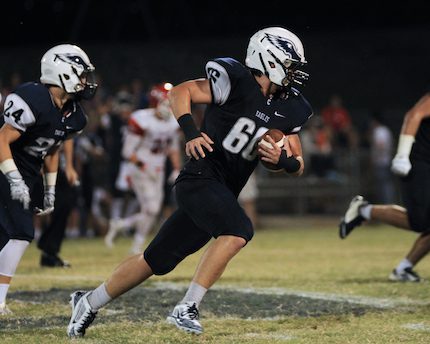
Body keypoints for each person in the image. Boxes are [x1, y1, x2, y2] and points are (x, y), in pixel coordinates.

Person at [67, 26, 313, 337]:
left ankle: (88, 301)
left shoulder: (293, 105)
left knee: (156, 259)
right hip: (199, 178)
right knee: (239, 230)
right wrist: (191, 132)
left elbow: (298, 163)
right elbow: (180, 91)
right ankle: (187, 306)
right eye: (290, 66)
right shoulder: (235, 78)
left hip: (222, 190)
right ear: (269, 59)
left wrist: (284, 162)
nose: (294, 74)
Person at [0, 44, 97, 315]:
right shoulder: (32, 98)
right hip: (5, 166)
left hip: (28, 173)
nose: (85, 81)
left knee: (4, 237)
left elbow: (52, 150)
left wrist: (50, 190)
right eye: (81, 74)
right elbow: (2, 140)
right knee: (21, 233)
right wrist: (14, 180)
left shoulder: (75, 115)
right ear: (62, 71)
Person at [339, 93, 430, 282]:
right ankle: (364, 210)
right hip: (420, 160)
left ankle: (403, 270)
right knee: (421, 222)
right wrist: (402, 155)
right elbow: (413, 115)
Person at [104, 83, 182, 254]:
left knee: (152, 210)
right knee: (152, 209)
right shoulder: (141, 119)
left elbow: (173, 148)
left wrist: (176, 168)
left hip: (159, 168)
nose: (170, 108)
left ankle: (123, 227)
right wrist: (144, 166)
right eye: (167, 103)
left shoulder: (173, 123)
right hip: (140, 167)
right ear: (155, 102)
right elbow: (127, 152)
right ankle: (137, 245)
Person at [37, 139, 80, 267]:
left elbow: (68, 136)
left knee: (65, 204)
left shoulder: (72, 120)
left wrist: (69, 166)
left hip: (56, 166)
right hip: (32, 162)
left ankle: (49, 251)